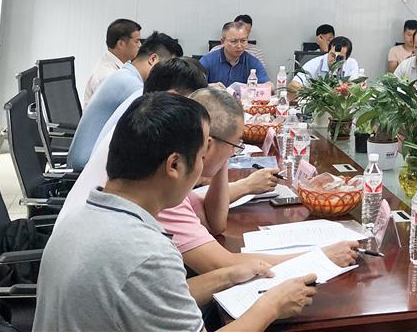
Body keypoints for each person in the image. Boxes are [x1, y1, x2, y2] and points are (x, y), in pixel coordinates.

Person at [34, 92, 319, 332]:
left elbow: (157, 295)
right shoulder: (147, 253)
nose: (202, 167)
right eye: (201, 156)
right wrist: (271, 306)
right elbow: (151, 278)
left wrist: (228, 276)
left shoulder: (81, 216)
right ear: (174, 165)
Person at [163, 87, 359, 274]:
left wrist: (224, 152)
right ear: (208, 144)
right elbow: (222, 265)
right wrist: (320, 258)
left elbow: (215, 224)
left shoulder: (175, 177)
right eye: (236, 144)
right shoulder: (167, 193)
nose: (234, 152)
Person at [58, 57, 272, 226]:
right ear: (172, 96)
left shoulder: (141, 116)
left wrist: (225, 150)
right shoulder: (157, 147)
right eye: (193, 105)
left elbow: (200, 211)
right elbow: (214, 237)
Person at [67, 32, 182, 171]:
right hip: (87, 167)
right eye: (168, 68)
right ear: (153, 59)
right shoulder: (132, 86)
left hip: (86, 162)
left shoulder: (124, 75)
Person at [83, 18, 141, 107]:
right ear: (121, 44)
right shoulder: (107, 76)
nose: (140, 45)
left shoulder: (120, 67)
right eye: (136, 41)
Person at [200, 21, 269, 86]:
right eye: (233, 41)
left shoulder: (253, 62)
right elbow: (195, 87)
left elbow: (267, 85)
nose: (239, 46)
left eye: (243, 40)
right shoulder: (207, 61)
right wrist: (211, 87)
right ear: (222, 41)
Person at [289, 36, 360, 92]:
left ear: (346, 59)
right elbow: (293, 85)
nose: (334, 61)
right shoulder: (314, 64)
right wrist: (317, 92)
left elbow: (354, 87)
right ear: (328, 52)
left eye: (340, 58)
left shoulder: (351, 64)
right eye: (332, 55)